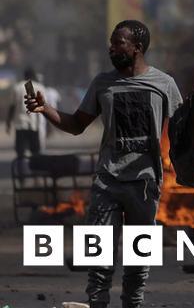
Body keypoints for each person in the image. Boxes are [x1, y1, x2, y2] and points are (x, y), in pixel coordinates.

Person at [25, 19, 182, 308]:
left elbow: (182, 132)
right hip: (107, 183)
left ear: (137, 47)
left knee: (138, 265)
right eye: (111, 42)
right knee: (98, 263)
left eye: (117, 42)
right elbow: (76, 125)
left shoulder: (164, 84)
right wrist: (44, 108)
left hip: (144, 187)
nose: (111, 48)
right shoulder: (102, 82)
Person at [7, 66, 46, 158]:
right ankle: (34, 170)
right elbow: (44, 107)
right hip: (34, 123)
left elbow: (12, 106)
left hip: (21, 123)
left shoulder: (17, 87)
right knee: (35, 150)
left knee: (21, 151)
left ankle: (22, 169)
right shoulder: (39, 87)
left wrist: (9, 121)